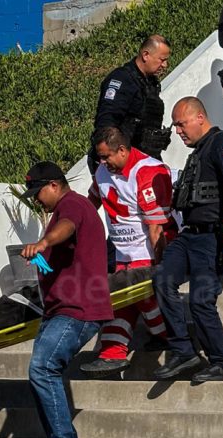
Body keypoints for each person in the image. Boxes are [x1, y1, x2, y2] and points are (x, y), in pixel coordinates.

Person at [19, 161, 113, 438]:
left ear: (56, 185)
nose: (36, 200)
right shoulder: (63, 208)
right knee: (43, 372)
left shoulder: (72, 204)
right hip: (62, 308)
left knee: (43, 368)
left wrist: (44, 243)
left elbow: (68, 227)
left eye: (39, 192)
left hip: (78, 307)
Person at [153, 97, 223, 383]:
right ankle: (184, 351)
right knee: (162, 280)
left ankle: (221, 362)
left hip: (214, 237)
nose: (178, 131)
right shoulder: (197, 152)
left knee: (201, 301)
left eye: (181, 124)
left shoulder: (222, 144)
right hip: (190, 236)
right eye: (176, 126)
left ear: (199, 118)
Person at [80, 126, 173, 376]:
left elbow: (157, 228)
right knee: (121, 300)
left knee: (138, 297)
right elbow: (91, 204)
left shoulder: (148, 170)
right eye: (100, 157)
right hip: (122, 252)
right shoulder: (101, 170)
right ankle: (114, 352)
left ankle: (166, 335)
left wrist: (160, 262)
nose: (103, 162)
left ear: (122, 150)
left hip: (146, 251)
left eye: (107, 156)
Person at [92, 34, 172, 165]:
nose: (165, 65)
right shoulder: (122, 80)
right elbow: (106, 122)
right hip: (122, 160)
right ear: (146, 55)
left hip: (143, 157)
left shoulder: (149, 83)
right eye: (162, 60)